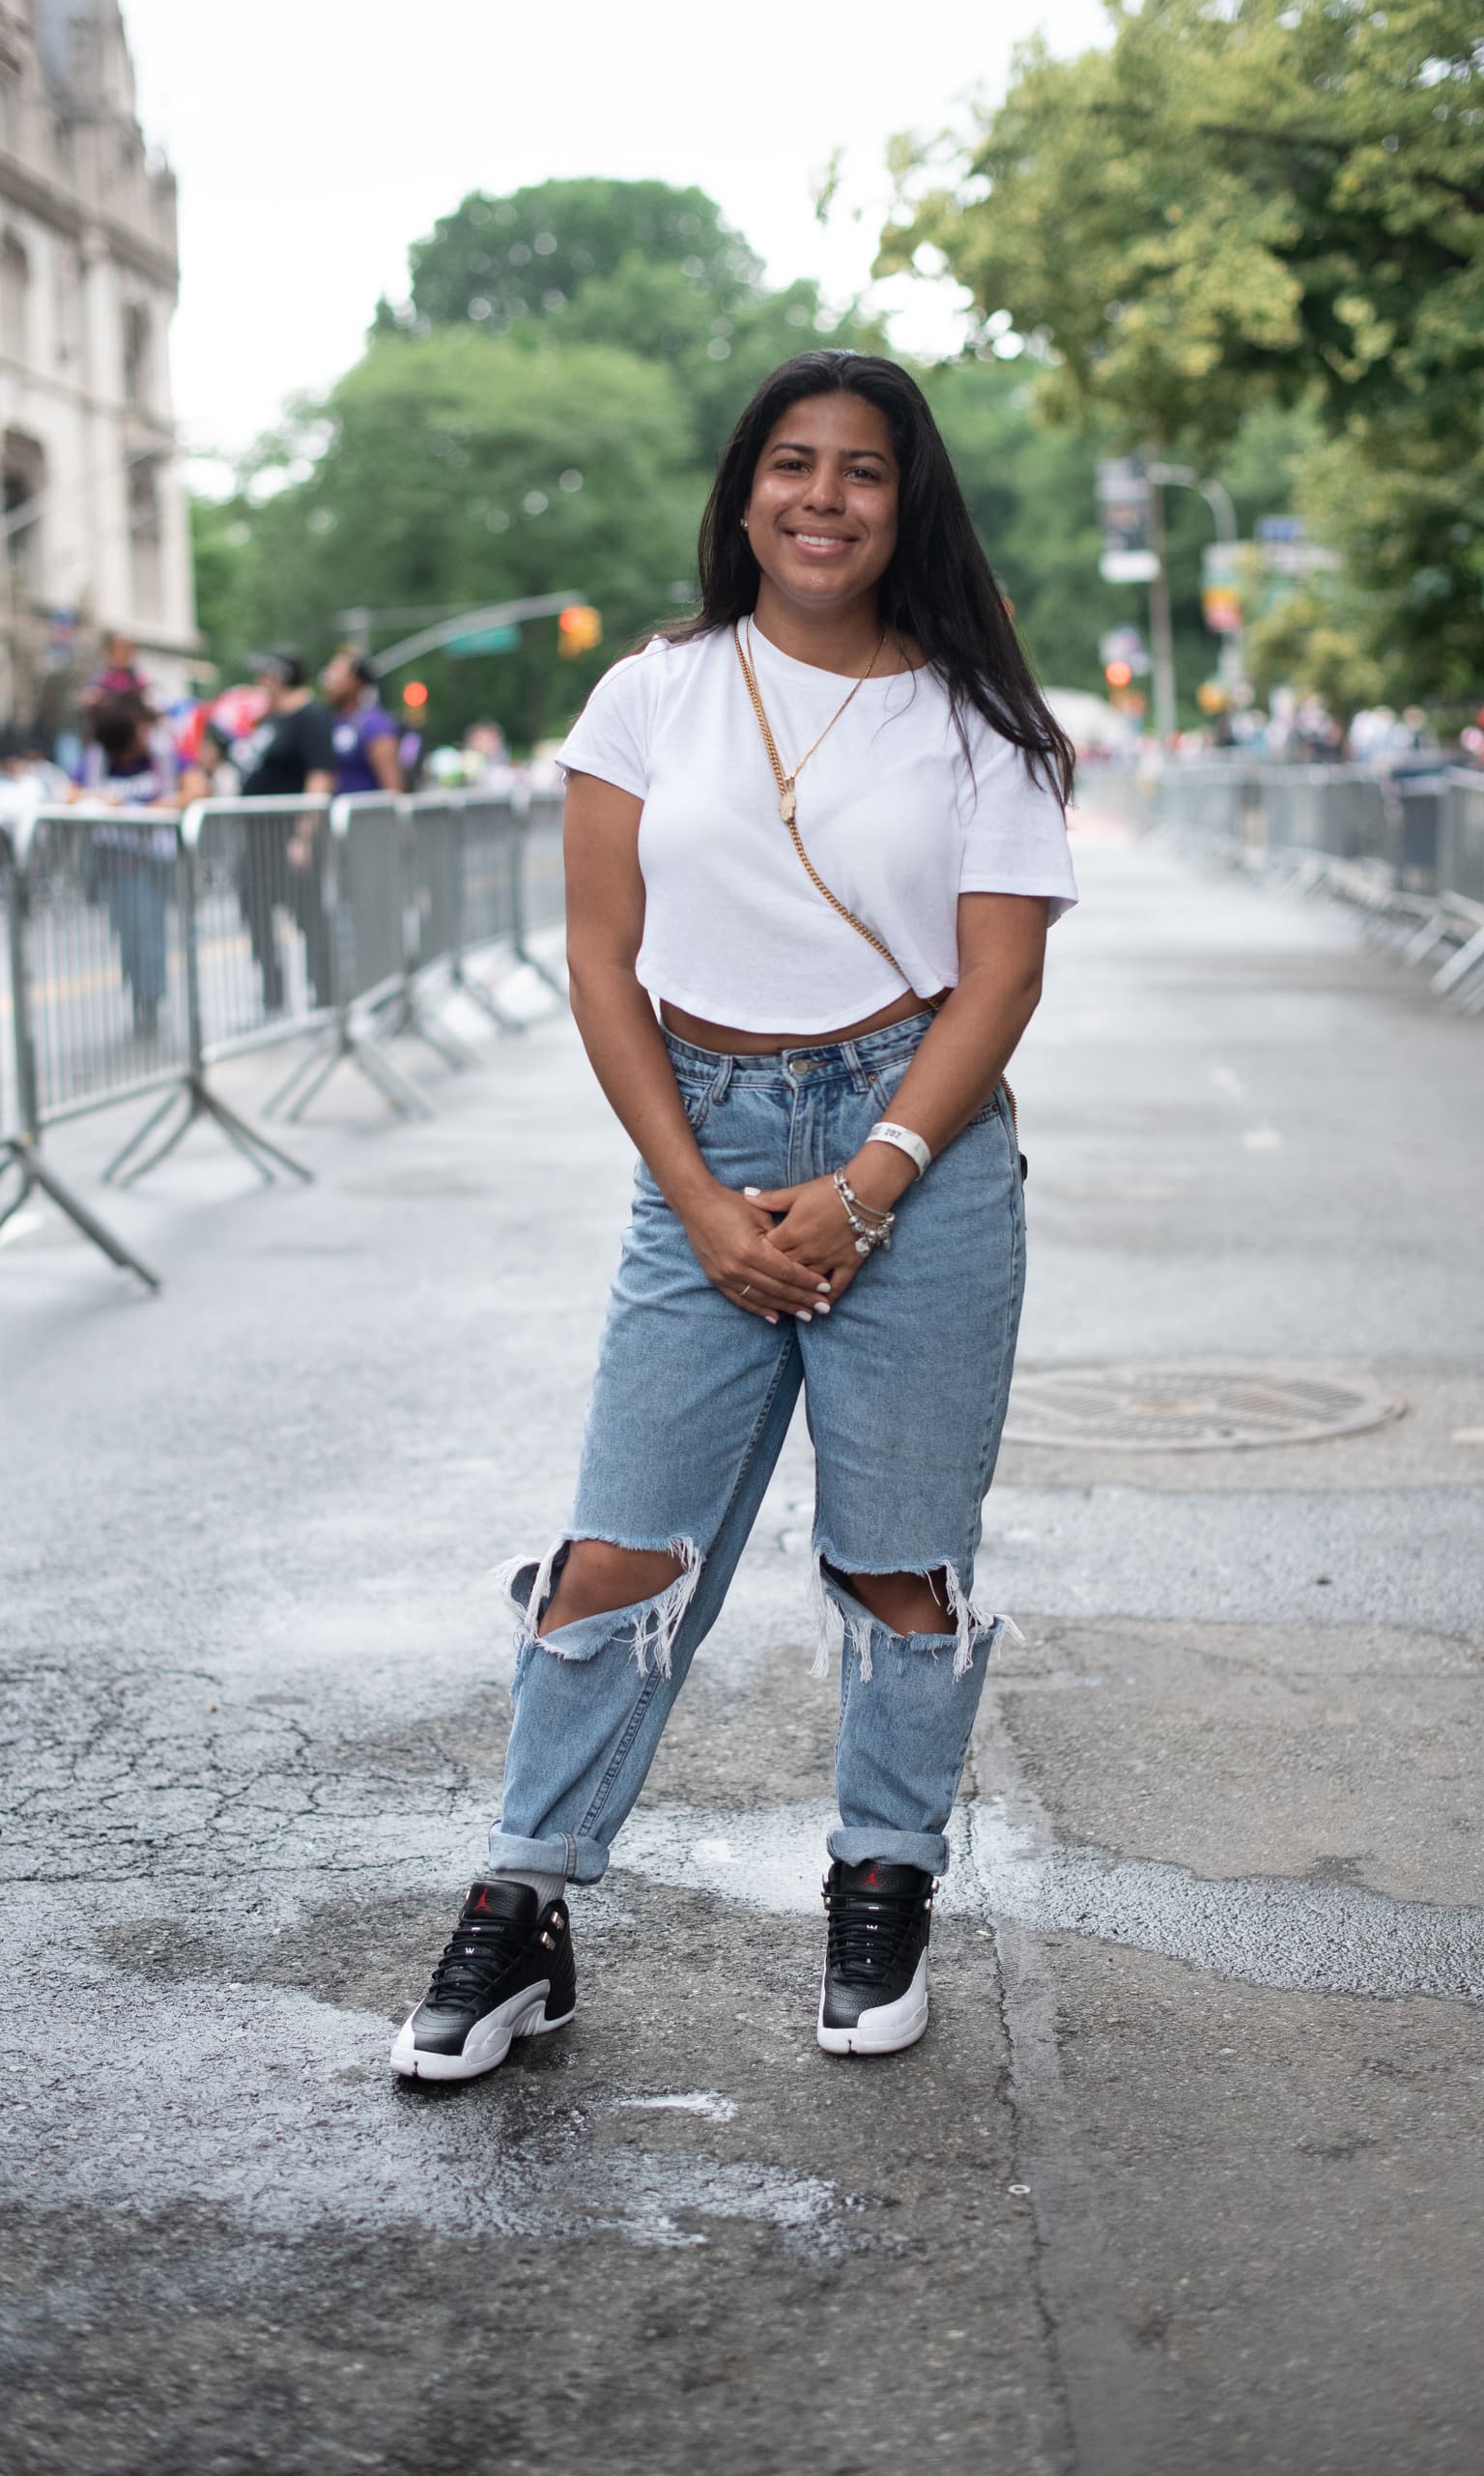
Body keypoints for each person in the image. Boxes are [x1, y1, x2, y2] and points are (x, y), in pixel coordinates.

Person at [391, 350, 1078, 2085]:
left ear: (904, 504)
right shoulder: (652, 694)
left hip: (915, 1139)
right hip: (703, 1128)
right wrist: (699, 1201)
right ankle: (524, 1901)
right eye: (792, 463)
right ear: (745, 490)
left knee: (896, 1564)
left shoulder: (979, 718)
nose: (824, 497)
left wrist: (869, 1185)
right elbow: (602, 965)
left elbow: (997, 981)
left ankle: (882, 1879)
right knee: (620, 1553)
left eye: (862, 470)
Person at [70, 693, 205, 1035]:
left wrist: (160, 806)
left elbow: (198, 788)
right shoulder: (98, 756)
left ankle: (153, 998)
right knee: (132, 932)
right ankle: (144, 997)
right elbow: (69, 792)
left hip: (158, 857)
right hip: (118, 861)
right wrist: (100, 799)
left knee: (152, 929)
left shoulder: (164, 749)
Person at [232, 651, 338, 1014]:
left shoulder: (311, 717)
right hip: (257, 836)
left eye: (266, 675)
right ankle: (272, 993)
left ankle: (324, 993)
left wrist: (303, 836)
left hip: (289, 835)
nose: (261, 682)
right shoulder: (272, 719)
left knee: (307, 916)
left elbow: (320, 777)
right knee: (257, 913)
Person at [321, 649, 402, 795]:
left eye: (337, 671)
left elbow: (392, 787)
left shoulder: (374, 724)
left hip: (366, 816)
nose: (328, 678)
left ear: (357, 682)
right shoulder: (332, 721)